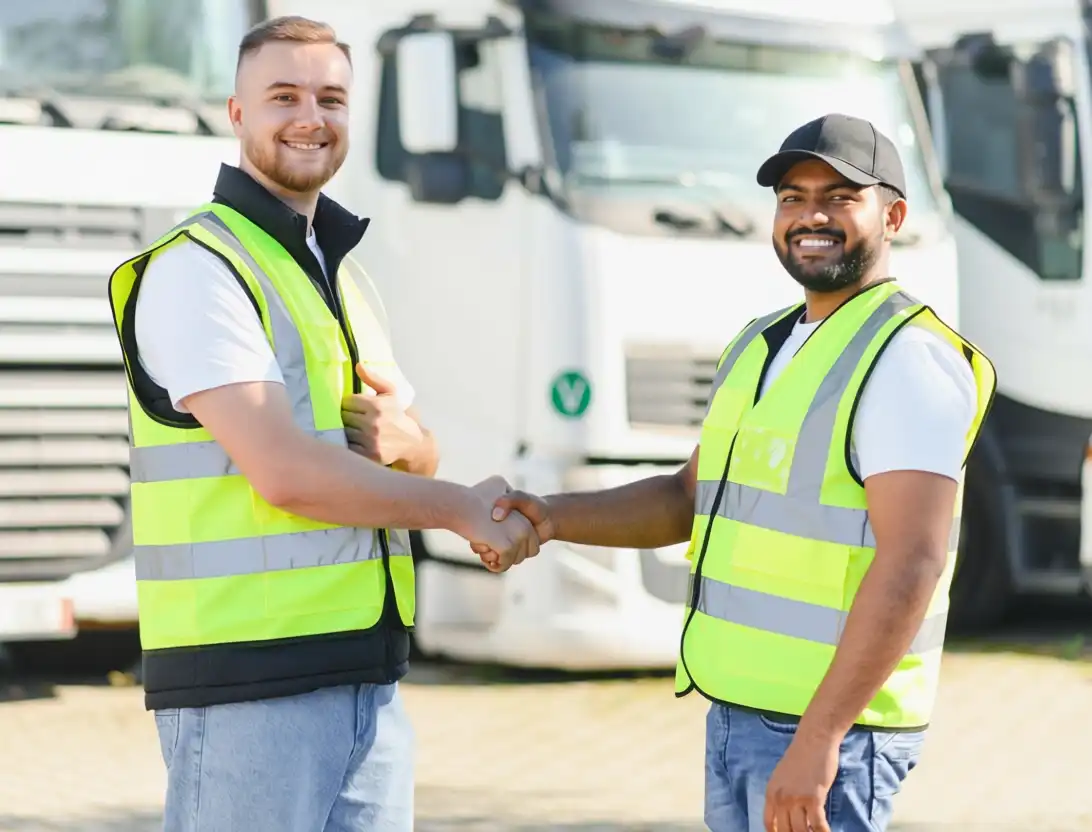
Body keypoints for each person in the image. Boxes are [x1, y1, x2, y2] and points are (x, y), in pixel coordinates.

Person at [486, 114, 997, 832]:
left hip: (831, 735)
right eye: (792, 197)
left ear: (894, 216)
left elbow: (912, 560)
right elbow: (687, 498)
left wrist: (820, 740)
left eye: (839, 197)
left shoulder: (907, 357)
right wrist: (551, 516)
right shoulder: (761, 344)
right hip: (740, 718)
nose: (810, 215)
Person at [106, 15, 538, 832]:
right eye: (285, 96)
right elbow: (286, 471)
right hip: (247, 688)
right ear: (236, 115)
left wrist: (422, 452)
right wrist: (454, 505)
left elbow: (402, 443)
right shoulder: (201, 271)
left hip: (365, 678)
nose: (312, 116)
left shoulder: (338, 273)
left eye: (332, 98)